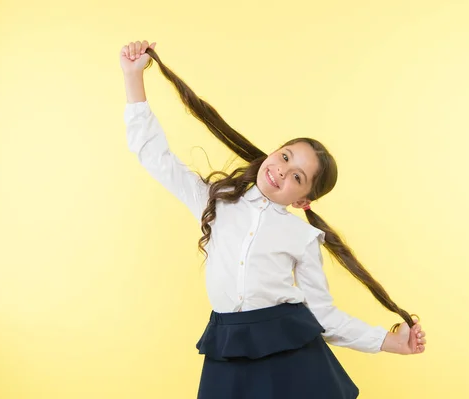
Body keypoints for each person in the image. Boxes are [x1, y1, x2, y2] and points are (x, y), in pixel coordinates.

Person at [120, 40, 427, 399]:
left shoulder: (302, 237)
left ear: (302, 200)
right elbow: (155, 157)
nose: (281, 172)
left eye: (297, 176)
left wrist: (390, 342)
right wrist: (133, 78)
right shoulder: (214, 201)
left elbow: (324, 316)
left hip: (289, 354)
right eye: (284, 157)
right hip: (227, 347)